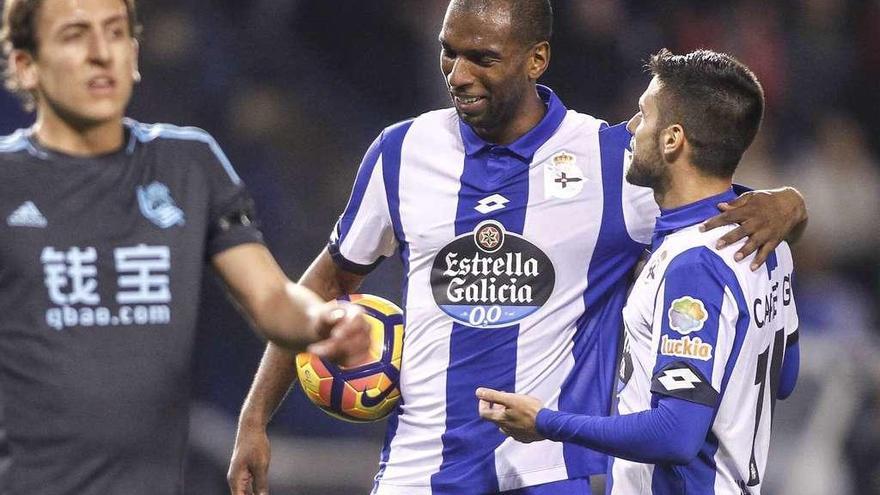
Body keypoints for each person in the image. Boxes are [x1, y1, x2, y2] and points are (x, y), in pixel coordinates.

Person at [228, 1, 808, 494]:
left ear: (536, 60)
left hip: (550, 471)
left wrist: (788, 206)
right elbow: (324, 285)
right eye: (449, 51)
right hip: (420, 468)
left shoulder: (612, 163)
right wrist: (255, 417)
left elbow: (710, 205)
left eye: (482, 58)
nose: (457, 73)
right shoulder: (400, 153)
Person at [0, 0, 371, 494]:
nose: (100, 53)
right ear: (26, 66)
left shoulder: (189, 165)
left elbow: (270, 297)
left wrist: (320, 321)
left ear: (133, 53)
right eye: (74, 35)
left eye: (115, 33)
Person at [477, 49, 800, 494]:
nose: (630, 127)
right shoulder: (772, 244)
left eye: (643, 115)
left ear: (672, 140)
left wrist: (544, 422)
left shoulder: (694, 264)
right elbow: (785, 378)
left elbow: (676, 433)